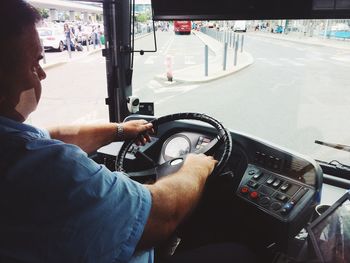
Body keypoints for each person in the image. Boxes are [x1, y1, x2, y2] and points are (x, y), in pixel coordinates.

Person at [0, 1, 257, 263]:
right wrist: (196, 167)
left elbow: (52, 135)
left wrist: (121, 130)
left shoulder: (14, 143)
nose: (42, 74)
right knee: (239, 254)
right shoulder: (44, 167)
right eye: (34, 63)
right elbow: (164, 215)